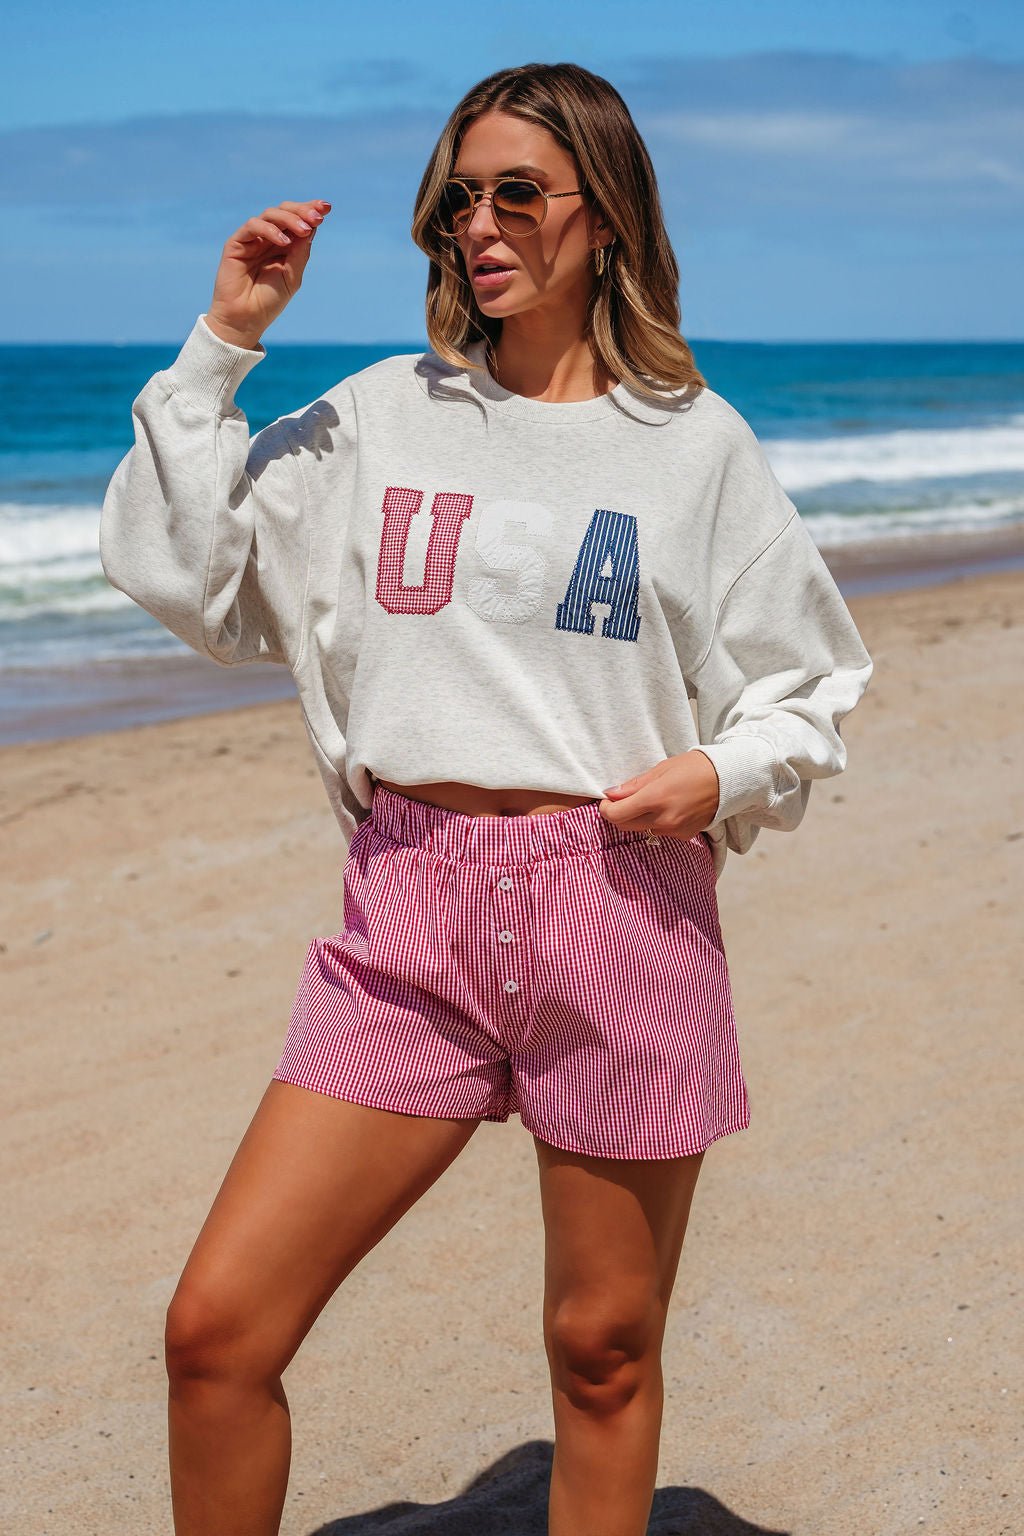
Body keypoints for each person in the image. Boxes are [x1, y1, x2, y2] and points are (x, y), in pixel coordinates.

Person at [99, 60, 873, 1536]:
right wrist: (222, 347)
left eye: (519, 189)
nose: (481, 222)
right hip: (411, 912)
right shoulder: (382, 416)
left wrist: (722, 768)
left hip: (621, 908)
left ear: (606, 217)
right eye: (460, 196)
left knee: (602, 1351)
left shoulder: (693, 447)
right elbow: (189, 575)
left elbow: (811, 681)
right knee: (218, 1334)